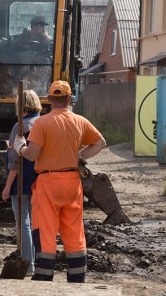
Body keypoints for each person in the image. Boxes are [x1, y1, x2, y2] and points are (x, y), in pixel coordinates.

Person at [13, 80, 106, 283]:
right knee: (73, 230)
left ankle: (44, 277)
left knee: (45, 230)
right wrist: (81, 156)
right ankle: (77, 277)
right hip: (72, 181)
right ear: (69, 99)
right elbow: (100, 142)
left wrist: (19, 146)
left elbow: (31, 154)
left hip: (48, 182)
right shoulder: (80, 121)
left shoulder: (42, 123)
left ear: (49, 100)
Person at [0, 89, 42, 275]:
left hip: (22, 181)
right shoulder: (43, 123)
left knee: (22, 222)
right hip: (41, 180)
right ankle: (39, 262)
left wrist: (8, 186)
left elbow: (14, 161)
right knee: (36, 222)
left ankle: (28, 263)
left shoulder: (20, 126)